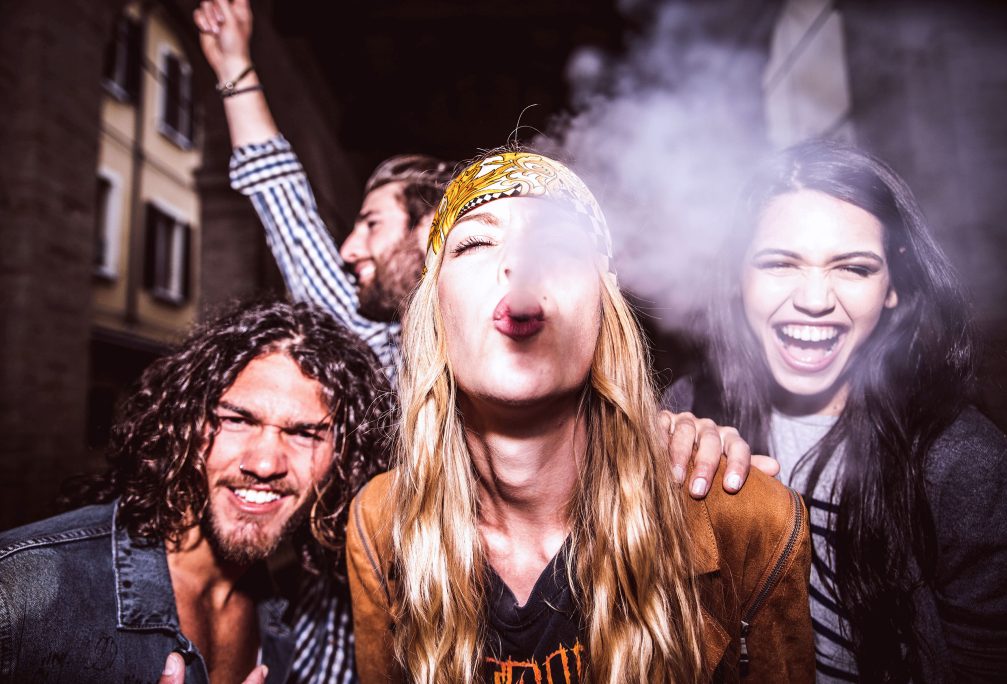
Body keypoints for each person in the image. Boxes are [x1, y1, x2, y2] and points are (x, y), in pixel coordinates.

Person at [192, 0, 767, 513]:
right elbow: (284, 209)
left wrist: (680, 437)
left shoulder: (569, 375)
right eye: (479, 241)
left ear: (426, 237)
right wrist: (232, 68)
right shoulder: (368, 345)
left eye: (371, 224)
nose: (347, 249)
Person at [346, 150, 815, 682]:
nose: (518, 265)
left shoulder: (750, 520)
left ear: (603, 308)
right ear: (435, 312)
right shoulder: (380, 525)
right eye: (476, 242)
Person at [673, 139, 1007, 682]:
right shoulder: (688, 410)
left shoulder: (962, 464)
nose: (815, 298)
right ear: (738, 279)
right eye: (780, 263)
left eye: (854, 268)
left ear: (893, 289)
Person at [0, 302, 392, 684]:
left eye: (304, 433)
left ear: (343, 459)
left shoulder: (285, 614)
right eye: (237, 420)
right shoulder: (19, 591)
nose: (265, 463)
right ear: (184, 421)